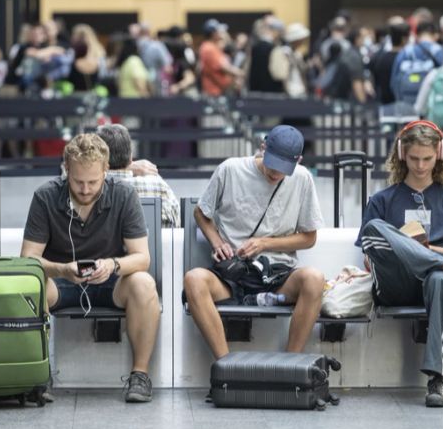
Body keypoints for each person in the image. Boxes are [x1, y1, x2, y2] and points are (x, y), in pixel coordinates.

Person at [355, 121, 443, 408]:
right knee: (375, 228)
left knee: (439, 278)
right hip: (396, 282)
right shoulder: (382, 200)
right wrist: (438, 259)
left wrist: (429, 253)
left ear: (439, 154)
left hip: (439, 284)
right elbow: (370, 252)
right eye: (414, 158)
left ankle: (437, 379)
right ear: (402, 154)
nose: (420, 166)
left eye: (427, 159)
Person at [20, 134, 159, 403]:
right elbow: (28, 259)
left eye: (93, 182)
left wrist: (112, 264)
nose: (85, 189)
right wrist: (62, 269)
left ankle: (139, 375)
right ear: (66, 170)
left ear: (106, 171)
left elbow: (142, 258)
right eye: (78, 182)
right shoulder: (46, 196)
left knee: (143, 283)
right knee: (30, 282)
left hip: (111, 282)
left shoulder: (124, 194)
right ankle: (39, 373)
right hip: (61, 283)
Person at [183, 125, 325, 360]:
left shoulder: (302, 179)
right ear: (262, 148)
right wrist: (217, 242)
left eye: (284, 170)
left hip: (278, 275)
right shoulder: (230, 169)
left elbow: (309, 237)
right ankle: (225, 364)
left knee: (314, 279)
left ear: (298, 161)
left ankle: (291, 363)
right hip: (232, 274)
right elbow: (201, 213)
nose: (276, 175)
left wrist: (265, 244)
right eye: (272, 166)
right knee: (193, 280)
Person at [96, 124, 180, 227]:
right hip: (154, 243)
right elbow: (176, 221)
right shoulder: (158, 184)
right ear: (130, 156)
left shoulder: (91, 187)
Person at [390, 21, 443, 106]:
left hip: (408, 103)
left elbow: (394, 81)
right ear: (435, 35)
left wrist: (400, 101)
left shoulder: (406, 51)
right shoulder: (439, 51)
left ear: (416, 35)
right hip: (432, 105)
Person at [199, 19, 244, 97]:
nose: (221, 33)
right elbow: (224, 67)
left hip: (218, 91)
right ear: (213, 33)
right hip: (213, 92)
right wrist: (241, 73)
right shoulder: (209, 48)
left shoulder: (212, 47)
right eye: (218, 31)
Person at [369, 21, 409, 105]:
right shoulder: (407, 59)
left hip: (384, 104)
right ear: (404, 39)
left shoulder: (379, 58)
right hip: (404, 105)